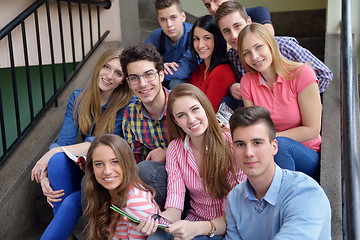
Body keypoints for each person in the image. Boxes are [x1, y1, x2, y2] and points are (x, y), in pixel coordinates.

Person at [31, 49, 135, 240]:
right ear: (99, 66)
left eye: (118, 73)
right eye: (106, 67)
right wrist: (45, 176)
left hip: (108, 169)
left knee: (71, 199)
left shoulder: (128, 104)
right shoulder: (79, 97)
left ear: (123, 80)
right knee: (56, 162)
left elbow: (100, 143)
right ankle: (68, 234)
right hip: (84, 164)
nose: (109, 76)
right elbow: (64, 141)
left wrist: (51, 154)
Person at [141, 83, 247, 240]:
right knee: (154, 237)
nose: (191, 120)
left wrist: (197, 229)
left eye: (195, 109)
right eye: (181, 115)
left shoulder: (232, 145)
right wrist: (155, 221)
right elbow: (174, 206)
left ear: (205, 108)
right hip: (192, 221)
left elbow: (235, 215)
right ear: (176, 121)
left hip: (225, 226)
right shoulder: (175, 149)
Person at [226, 106, 331, 239]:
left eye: (257, 143)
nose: (249, 153)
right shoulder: (234, 198)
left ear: (274, 147)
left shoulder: (305, 191)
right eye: (240, 144)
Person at [238, 23, 322, 180]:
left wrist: (271, 139)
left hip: (306, 154)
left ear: (271, 45)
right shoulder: (247, 82)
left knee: (282, 146)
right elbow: (254, 127)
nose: (254, 57)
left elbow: (312, 129)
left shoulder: (302, 74)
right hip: (268, 153)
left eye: (258, 47)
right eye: (247, 53)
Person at [215, 1, 333, 109]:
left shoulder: (284, 46)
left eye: (237, 26)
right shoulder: (232, 56)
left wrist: (299, 98)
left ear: (249, 22)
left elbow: (324, 74)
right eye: (226, 31)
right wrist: (231, 88)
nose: (234, 35)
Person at [120, 43, 170, 209]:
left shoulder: (182, 105)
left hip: (189, 181)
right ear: (128, 83)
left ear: (161, 75)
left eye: (149, 75)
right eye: (134, 78)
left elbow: (203, 149)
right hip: (154, 184)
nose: (142, 84)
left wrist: (169, 153)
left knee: (146, 169)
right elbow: (135, 157)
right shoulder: (131, 114)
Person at [84, 134, 160, 240]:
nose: (107, 171)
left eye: (115, 162)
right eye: (98, 164)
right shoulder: (101, 192)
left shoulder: (136, 202)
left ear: (127, 163)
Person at [145, 0, 197, 89]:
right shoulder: (157, 35)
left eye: (173, 17)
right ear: (158, 21)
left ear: (183, 16)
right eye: (163, 19)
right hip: (162, 77)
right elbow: (141, 59)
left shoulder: (194, 35)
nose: (169, 24)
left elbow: (184, 70)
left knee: (175, 84)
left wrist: (156, 72)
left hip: (191, 80)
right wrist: (159, 66)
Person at [189, 15, 235, 111]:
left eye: (207, 38)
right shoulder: (198, 71)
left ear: (217, 39)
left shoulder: (221, 72)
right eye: (196, 39)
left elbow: (209, 112)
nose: (200, 45)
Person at [202, 0, 275, 36]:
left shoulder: (258, 11)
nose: (213, 8)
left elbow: (269, 36)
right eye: (208, 5)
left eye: (215, 0)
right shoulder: (211, 25)